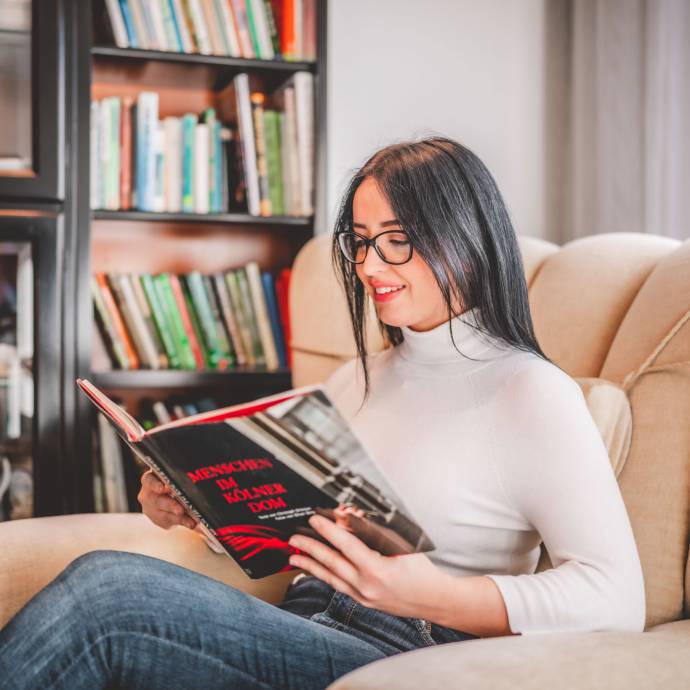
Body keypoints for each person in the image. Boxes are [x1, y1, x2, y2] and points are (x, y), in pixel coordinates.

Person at [0, 137, 645, 689]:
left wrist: (429, 593)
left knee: (106, 593)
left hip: (403, 653)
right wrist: (194, 506)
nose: (368, 265)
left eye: (397, 241)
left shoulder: (529, 391)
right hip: (300, 623)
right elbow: (286, 531)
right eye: (361, 242)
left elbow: (618, 598)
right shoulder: (356, 379)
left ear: (466, 237)